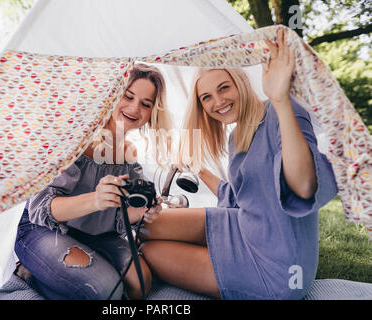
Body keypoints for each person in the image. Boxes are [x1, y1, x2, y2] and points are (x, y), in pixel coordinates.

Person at [140, 28, 338, 300]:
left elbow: (304, 186)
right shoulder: (236, 136)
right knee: (146, 227)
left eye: (224, 88)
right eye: (206, 97)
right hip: (243, 226)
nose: (217, 102)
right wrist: (198, 169)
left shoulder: (285, 109)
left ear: (240, 82)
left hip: (277, 267)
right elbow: (237, 197)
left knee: (151, 251)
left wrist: (280, 101)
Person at [14, 63, 170, 300]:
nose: (134, 108)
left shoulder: (129, 154)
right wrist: (96, 199)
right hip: (42, 227)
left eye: (145, 104)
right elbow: (42, 208)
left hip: (94, 234)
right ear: (112, 94)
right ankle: (33, 273)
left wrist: (142, 212)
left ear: (151, 114)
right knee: (107, 289)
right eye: (128, 96)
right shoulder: (76, 135)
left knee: (141, 283)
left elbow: (120, 217)